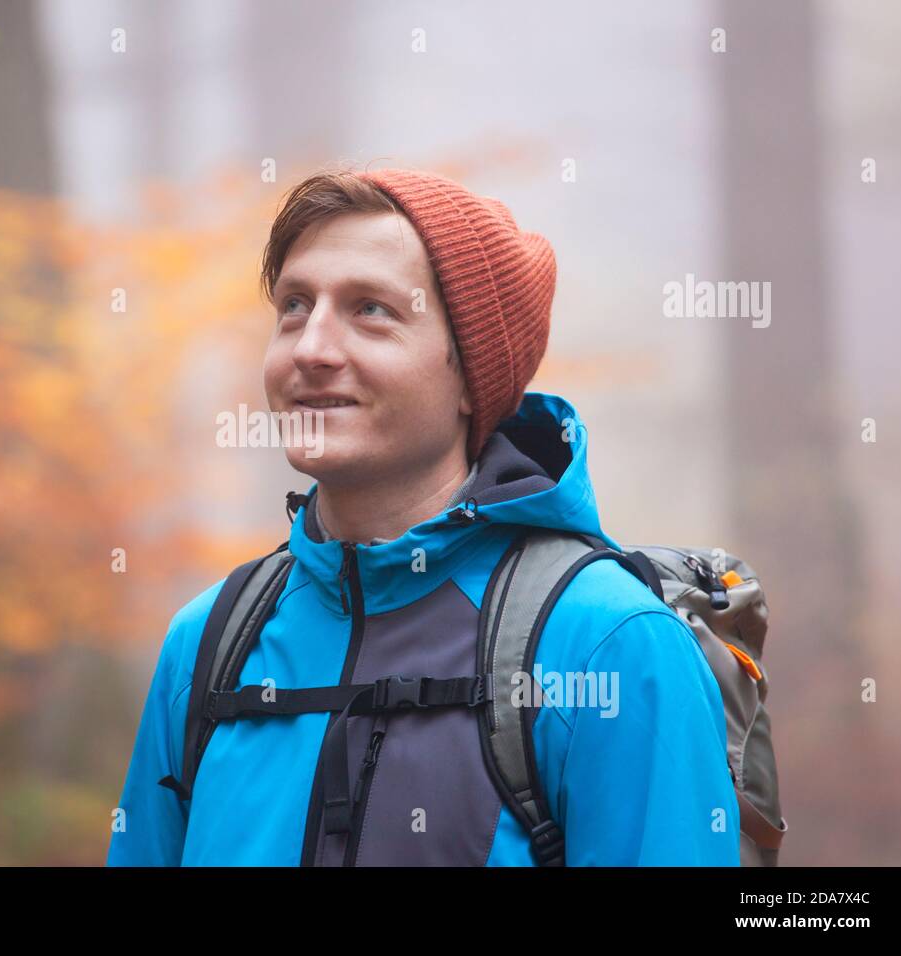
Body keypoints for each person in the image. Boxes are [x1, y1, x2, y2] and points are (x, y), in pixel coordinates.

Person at [106, 167, 741, 866]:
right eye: (294, 305)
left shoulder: (607, 644)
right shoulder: (207, 645)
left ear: (472, 376)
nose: (311, 348)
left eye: (370, 309)